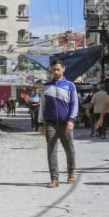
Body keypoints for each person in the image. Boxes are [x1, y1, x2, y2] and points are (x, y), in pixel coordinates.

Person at [38, 59, 78, 188]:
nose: (55, 72)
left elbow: (74, 104)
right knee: (51, 151)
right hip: (50, 123)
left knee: (69, 149)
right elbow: (42, 105)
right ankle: (54, 179)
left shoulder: (70, 85)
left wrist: (71, 120)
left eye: (58, 69)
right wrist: (40, 123)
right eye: (53, 70)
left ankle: (71, 172)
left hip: (65, 123)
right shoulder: (46, 86)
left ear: (63, 69)